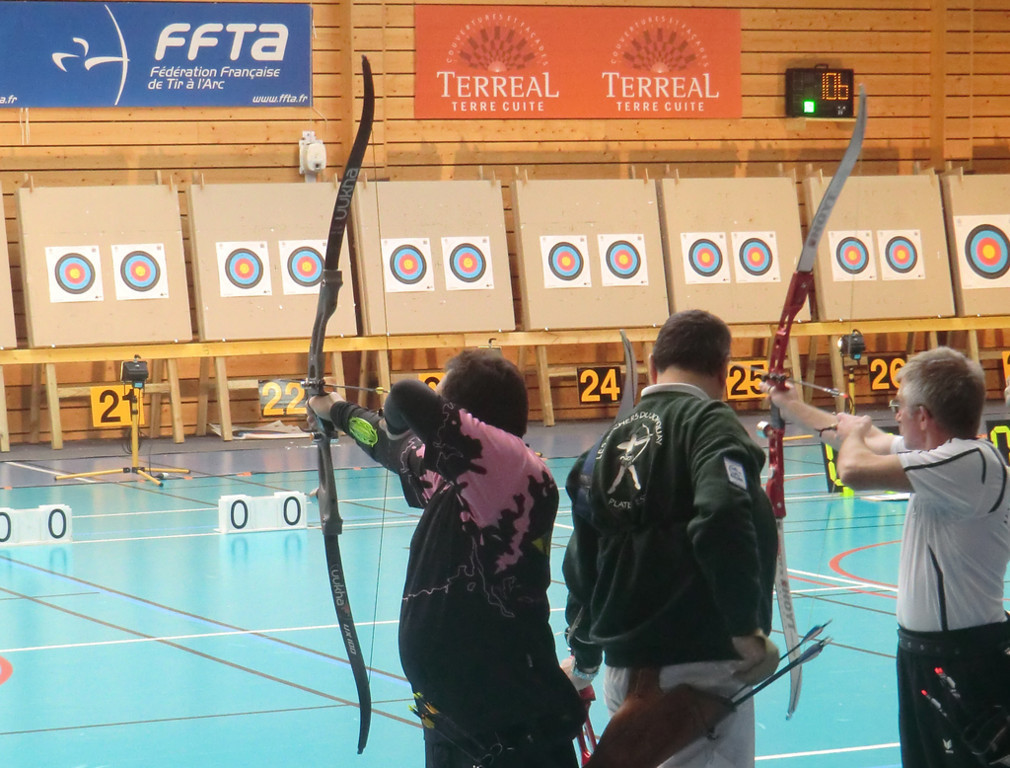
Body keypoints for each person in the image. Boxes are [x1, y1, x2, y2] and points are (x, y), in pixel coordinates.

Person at [308, 349, 585, 768]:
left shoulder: (513, 468)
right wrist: (334, 410)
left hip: (513, 728)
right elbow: (389, 446)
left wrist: (396, 416)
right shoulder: (461, 476)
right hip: (457, 728)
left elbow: (405, 396)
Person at [765, 346, 1010, 768]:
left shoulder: (970, 461)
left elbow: (854, 469)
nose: (894, 416)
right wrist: (791, 406)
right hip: (927, 655)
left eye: (899, 407)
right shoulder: (939, 457)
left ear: (923, 417)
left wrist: (855, 434)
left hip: (965, 657)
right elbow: (867, 441)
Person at [562, 309, 780, 768]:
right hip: (698, 674)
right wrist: (745, 630)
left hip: (624, 676)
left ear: (651, 365)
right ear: (723, 370)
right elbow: (722, 512)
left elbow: (582, 569)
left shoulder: (599, 451)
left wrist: (583, 660)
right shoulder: (709, 422)